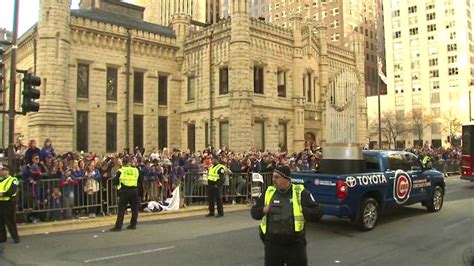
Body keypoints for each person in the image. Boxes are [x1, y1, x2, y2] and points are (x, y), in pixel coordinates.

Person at [251, 165, 322, 266]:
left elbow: (318, 212)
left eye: (277, 177)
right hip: (273, 245)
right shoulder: (268, 192)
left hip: (294, 245)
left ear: (287, 179)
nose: (273, 180)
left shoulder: (300, 193)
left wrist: (304, 211)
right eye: (273, 177)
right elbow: (254, 213)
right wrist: (263, 210)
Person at [110, 157, 140, 231]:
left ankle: (118, 226)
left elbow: (115, 181)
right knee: (135, 208)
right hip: (134, 190)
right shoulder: (135, 170)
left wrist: (119, 187)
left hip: (125, 191)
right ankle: (133, 224)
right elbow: (139, 180)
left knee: (122, 209)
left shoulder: (121, 170)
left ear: (123, 163)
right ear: (129, 163)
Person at [0, 163, 20, 243]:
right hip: (1, 202)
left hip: (9, 203)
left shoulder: (13, 180)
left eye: (2, 170)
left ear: (7, 171)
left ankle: (15, 237)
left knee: (10, 221)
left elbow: (11, 191)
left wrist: (2, 194)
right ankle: (2, 237)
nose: (1, 172)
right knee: (0, 221)